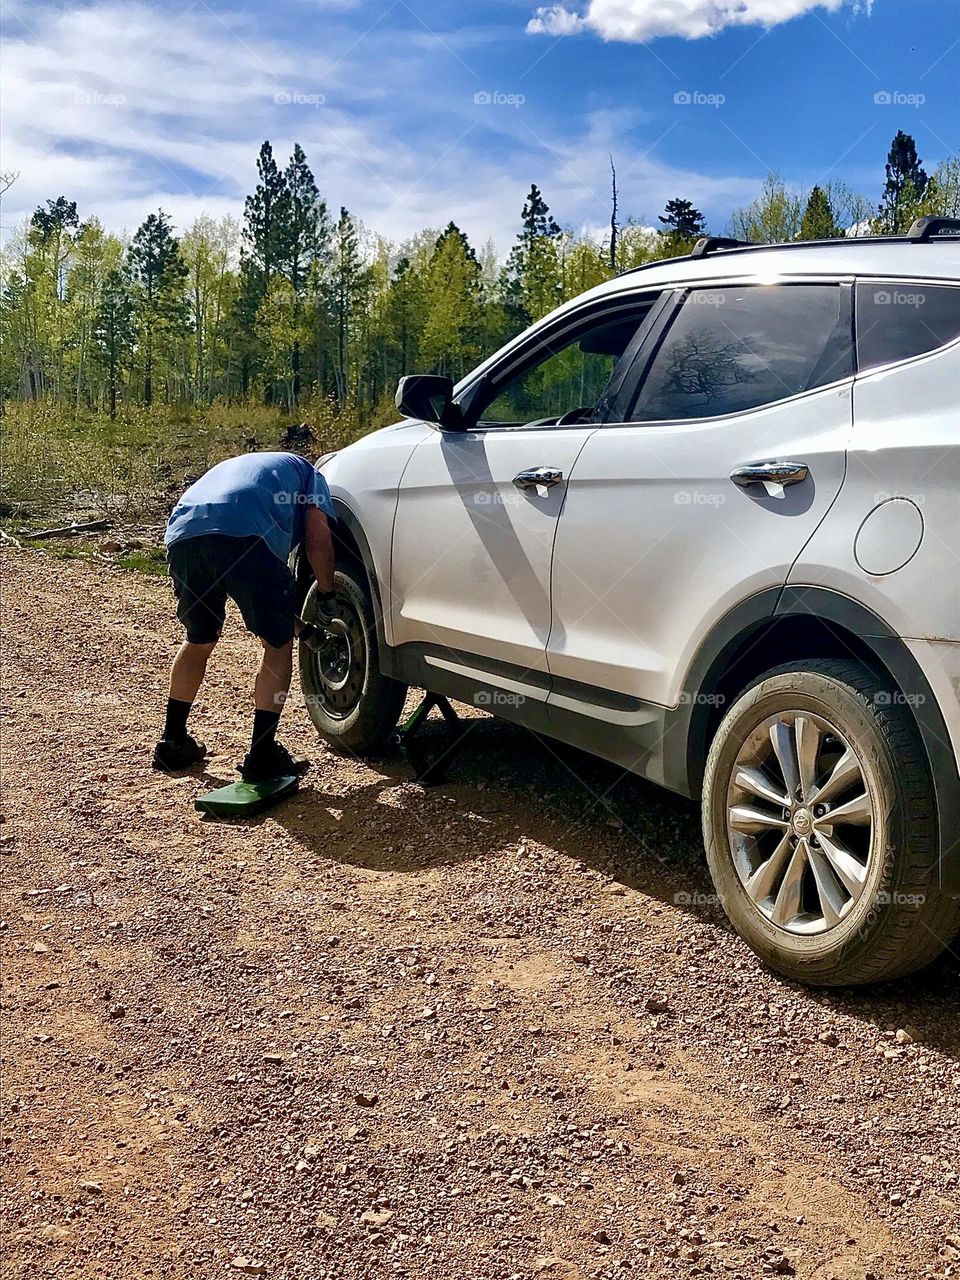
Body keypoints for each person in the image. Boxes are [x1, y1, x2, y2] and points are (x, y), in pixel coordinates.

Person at [154, 451, 336, 781]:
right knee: (276, 647)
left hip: (184, 533)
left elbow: (245, 586)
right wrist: (327, 593)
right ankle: (262, 756)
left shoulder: (250, 468)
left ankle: (172, 742)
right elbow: (318, 538)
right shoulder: (313, 476)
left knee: (199, 639)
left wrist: (298, 624)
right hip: (245, 535)